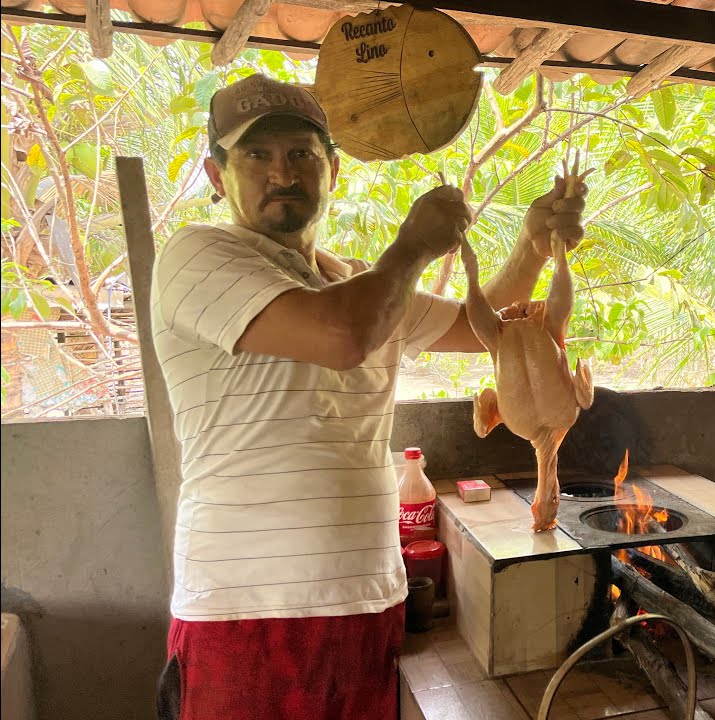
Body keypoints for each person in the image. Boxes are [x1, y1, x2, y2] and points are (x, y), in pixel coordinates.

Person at [150, 73, 587, 720]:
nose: (281, 173)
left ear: (333, 171)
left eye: (301, 154)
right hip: (244, 611)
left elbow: (481, 326)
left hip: (367, 601)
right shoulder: (197, 255)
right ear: (218, 177)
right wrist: (410, 247)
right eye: (255, 155)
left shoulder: (359, 281)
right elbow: (342, 333)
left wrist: (532, 244)